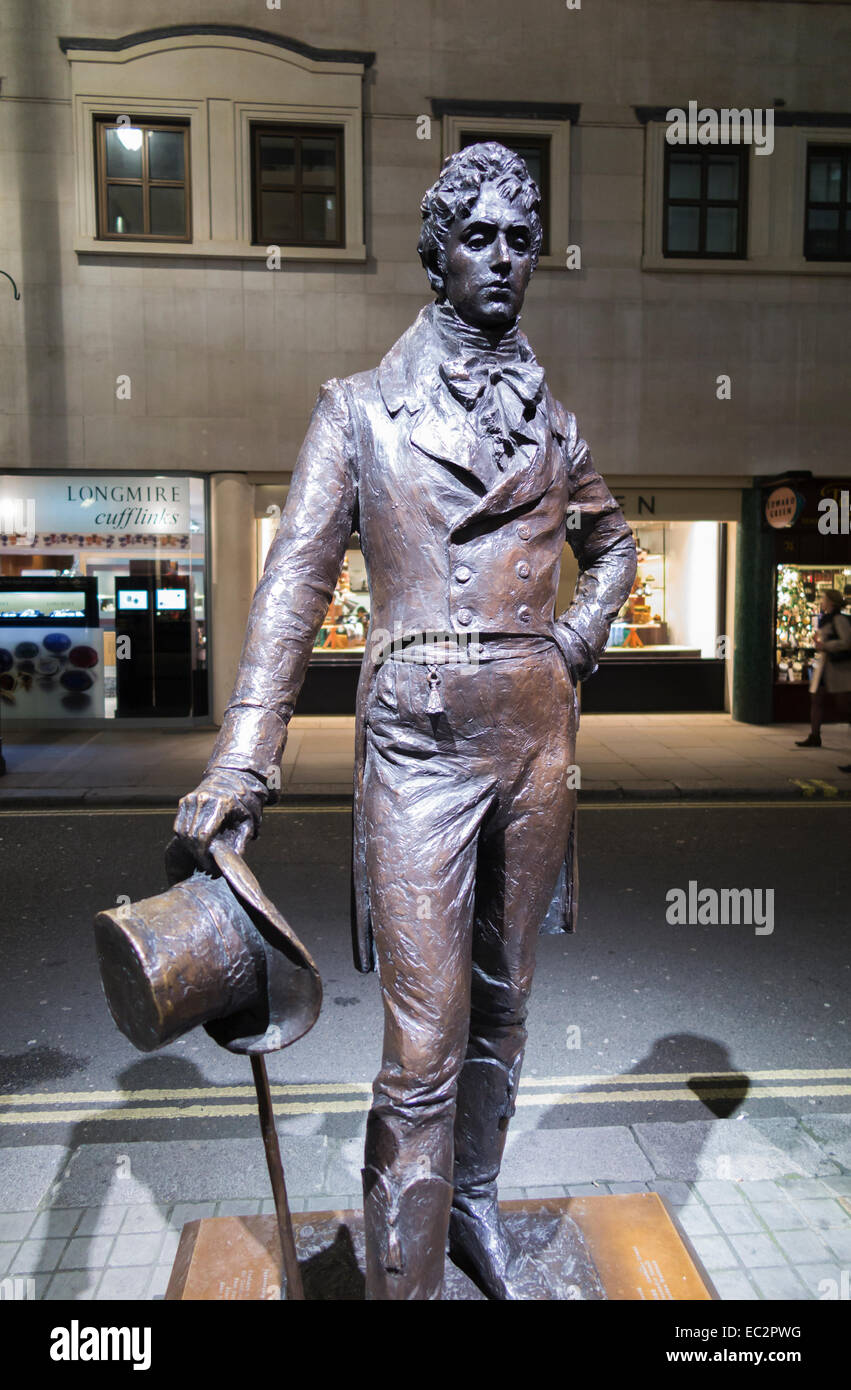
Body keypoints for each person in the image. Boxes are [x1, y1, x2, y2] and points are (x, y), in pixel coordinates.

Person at [173, 143, 636, 1299]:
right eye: (474, 237)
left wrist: (570, 644)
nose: (499, 259)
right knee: (422, 1045)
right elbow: (292, 585)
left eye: (517, 240)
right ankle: (401, 1273)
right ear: (434, 251)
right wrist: (245, 759)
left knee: (506, 1006)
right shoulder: (360, 411)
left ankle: (470, 1203)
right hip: (417, 751)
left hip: (535, 743)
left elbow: (615, 546)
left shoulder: (552, 421)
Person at [795, 588, 851, 771]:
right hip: (825, 667)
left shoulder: (840, 619)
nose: (822, 601)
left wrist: (825, 645)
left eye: (824, 599)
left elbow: (847, 642)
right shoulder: (826, 619)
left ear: (832, 602)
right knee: (816, 698)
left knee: (844, 707)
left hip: (838, 669)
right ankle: (814, 735)